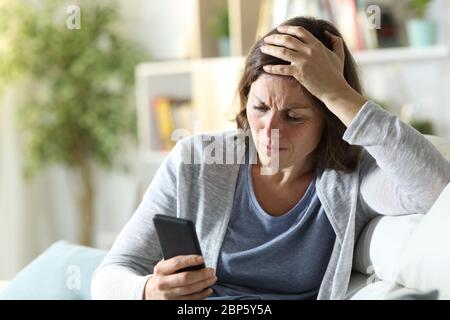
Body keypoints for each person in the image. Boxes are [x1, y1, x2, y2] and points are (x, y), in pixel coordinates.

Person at [90, 17, 450, 300]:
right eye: (260, 107)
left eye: (294, 116)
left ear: (330, 119)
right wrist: (147, 291)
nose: (270, 130)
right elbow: (109, 276)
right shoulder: (198, 161)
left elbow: (436, 191)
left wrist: (339, 93)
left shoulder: (353, 175)